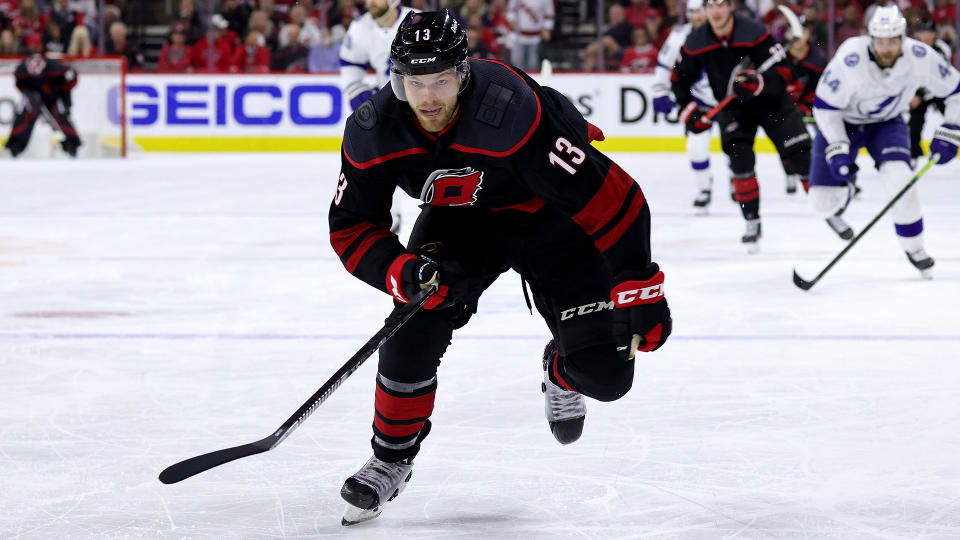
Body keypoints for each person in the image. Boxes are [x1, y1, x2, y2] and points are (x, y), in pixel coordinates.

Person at [329, 9, 672, 525]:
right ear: (396, 80)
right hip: (461, 227)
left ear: (463, 75)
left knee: (607, 376)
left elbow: (614, 198)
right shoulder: (373, 131)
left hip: (553, 223)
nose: (428, 98)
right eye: (414, 82)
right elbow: (351, 226)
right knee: (411, 324)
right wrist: (400, 269)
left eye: (441, 80)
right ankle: (389, 460)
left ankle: (562, 368)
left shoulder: (513, 111)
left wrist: (641, 289)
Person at [809, 5, 960, 278]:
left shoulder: (920, 56)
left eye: (892, 41)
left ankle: (915, 248)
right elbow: (824, 108)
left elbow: (956, 91)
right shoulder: (850, 58)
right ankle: (842, 196)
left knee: (901, 181)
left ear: (903, 38)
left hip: (887, 124)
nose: (886, 48)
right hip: (844, 122)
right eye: (880, 41)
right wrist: (839, 147)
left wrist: (952, 128)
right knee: (821, 202)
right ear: (870, 37)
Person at [672, 0, 812, 253]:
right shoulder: (696, 41)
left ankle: (826, 204)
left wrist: (760, 84)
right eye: (710, 6)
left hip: (773, 104)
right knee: (740, 161)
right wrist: (690, 111)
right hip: (734, 107)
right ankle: (752, 221)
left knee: (802, 158)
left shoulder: (754, 32)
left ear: (730, 7)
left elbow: (783, 71)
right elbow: (679, 78)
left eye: (720, 4)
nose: (715, 11)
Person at [338, 0, 417, 234]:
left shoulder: (419, 22)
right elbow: (351, 70)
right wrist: (367, 105)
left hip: (427, 104)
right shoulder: (360, 27)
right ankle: (388, 218)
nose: (370, 2)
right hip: (390, 111)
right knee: (383, 164)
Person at [650, 0, 717, 212]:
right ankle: (704, 188)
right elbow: (664, 63)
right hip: (698, 100)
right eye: (692, 12)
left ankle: (738, 178)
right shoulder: (680, 35)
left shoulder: (727, 31)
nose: (696, 17)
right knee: (696, 147)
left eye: (699, 12)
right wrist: (659, 91)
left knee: (736, 146)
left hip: (730, 100)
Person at [4, 33, 81, 158]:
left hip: (53, 94)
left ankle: (72, 143)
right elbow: (20, 84)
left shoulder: (55, 67)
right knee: (27, 113)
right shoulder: (23, 69)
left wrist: (63, 92)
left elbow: (70, 79)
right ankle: (16, 144)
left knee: (60, 113)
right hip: (34, 94)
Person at [908, 18, 952, 163]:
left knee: (955, 117)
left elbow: (941, 78)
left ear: (935, 34)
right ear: (918, 34)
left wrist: (920, 96)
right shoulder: (911, 49)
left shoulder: (942, 49)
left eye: (930, 32)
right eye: (923, 32)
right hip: (919, 91)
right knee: (914, 124)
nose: (926, 36)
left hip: (940, 91)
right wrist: (913, 95)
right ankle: (914, 156)